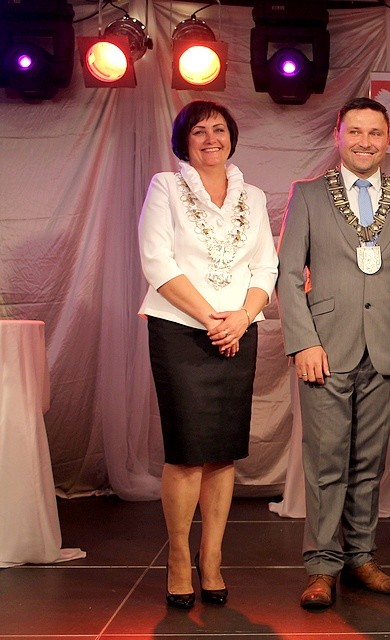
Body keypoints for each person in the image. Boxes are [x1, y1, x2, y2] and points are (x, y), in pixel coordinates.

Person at [276, 97, 390, 610]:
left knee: (370, 463)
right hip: (325, 350)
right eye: (356, 132)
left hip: (389, 352)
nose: (365, 142)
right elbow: (287, 275)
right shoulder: (307, 195)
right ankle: (322, 566)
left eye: (375, 133)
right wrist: (303, 341)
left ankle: (361, 558)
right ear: (338, 136)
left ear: (389, 140)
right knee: (326, 461)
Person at [138, 100, 278, 609]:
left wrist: (242, 317)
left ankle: (211, 557)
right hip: (181, 330)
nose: (211, 138)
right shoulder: (166, 187)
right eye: (199, 131)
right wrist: (211, 318)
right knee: (187, 451)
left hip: (239, 331)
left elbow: (266, 268)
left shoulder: (253, 196)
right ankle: (178, 557)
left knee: (222, 451)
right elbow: (157, 262)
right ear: (184, 141)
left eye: (219, 129)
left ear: (232, 137)